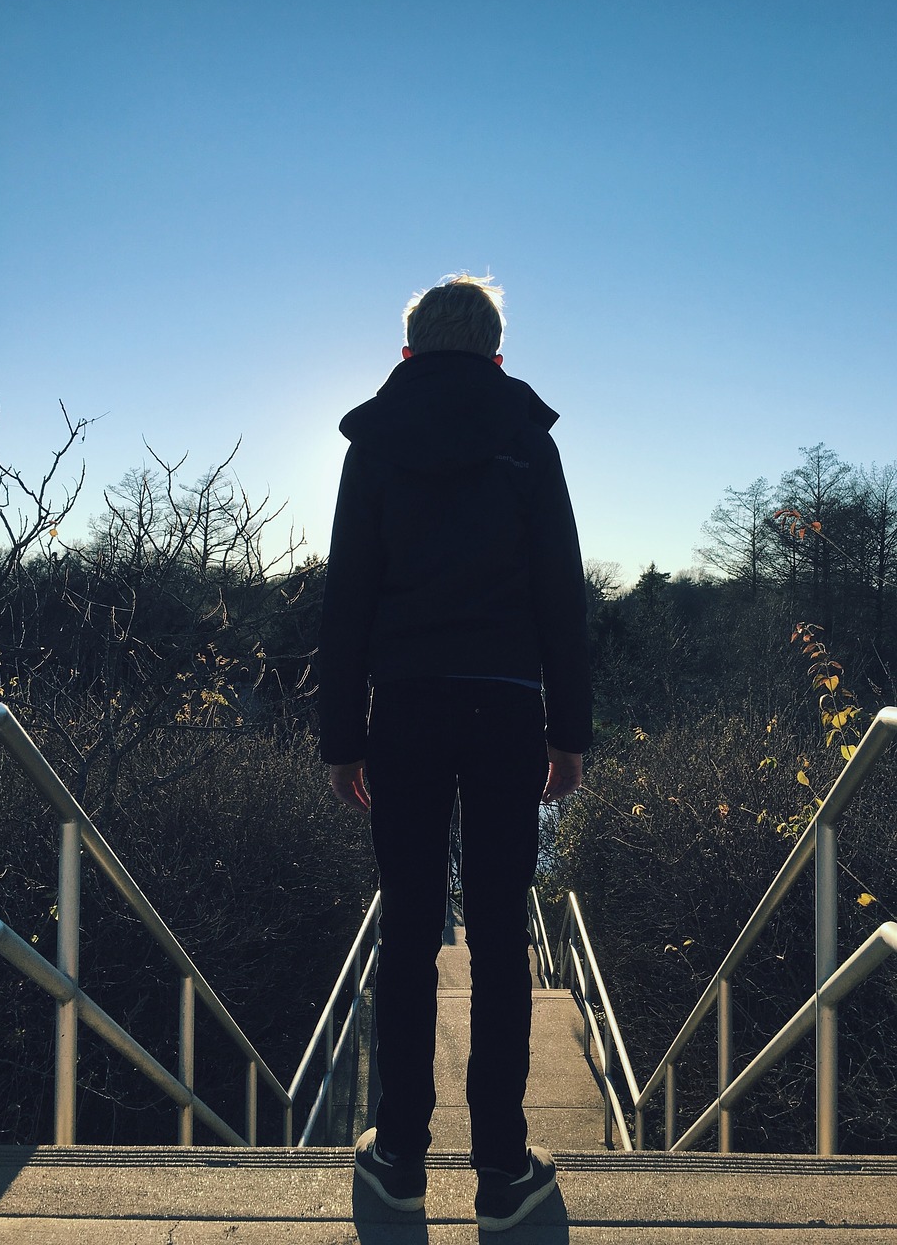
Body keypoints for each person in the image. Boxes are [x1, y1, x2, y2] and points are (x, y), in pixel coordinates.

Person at [318, 274, 591, 1232]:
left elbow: (348, 593)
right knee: (502, 938)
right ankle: (505, 1166)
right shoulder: (526, 436)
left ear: (409, 352)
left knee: (407, 933)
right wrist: (570, 730)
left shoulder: (376, 441)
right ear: (495, 353)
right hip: (510, 707)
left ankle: (397, 1156)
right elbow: (562, 589)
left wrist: (342, 737)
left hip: (405, 712)